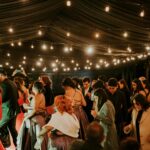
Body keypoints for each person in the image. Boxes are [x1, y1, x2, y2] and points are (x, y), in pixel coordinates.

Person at [17, 81, 46, 150]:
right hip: (40, 118)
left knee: (34, 137)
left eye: (33, 86)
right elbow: (38, 107)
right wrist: (28, 106)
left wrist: (26, 117)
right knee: (38, 137)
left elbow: (35, 110)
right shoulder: (41, 95)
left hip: (35, 119)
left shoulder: (37, 96)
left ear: (35, 88)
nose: (32, 87)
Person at [91, 82, 118, 150]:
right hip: (104, 129)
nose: (96, 100)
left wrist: (97, 116)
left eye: (96, 98)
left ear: (100, 97)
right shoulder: (104, 103)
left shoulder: (107, 104)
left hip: (109, 131)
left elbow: (111, 121)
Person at [0, 69, 20, 148]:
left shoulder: (3, 84)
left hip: (7, 111)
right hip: (14, 110)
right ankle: (18, 146)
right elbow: (17, 96)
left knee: (1, 127)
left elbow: (3, 98)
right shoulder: (13, 83)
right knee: (13, 130)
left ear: (1, 75)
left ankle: (6, 145)